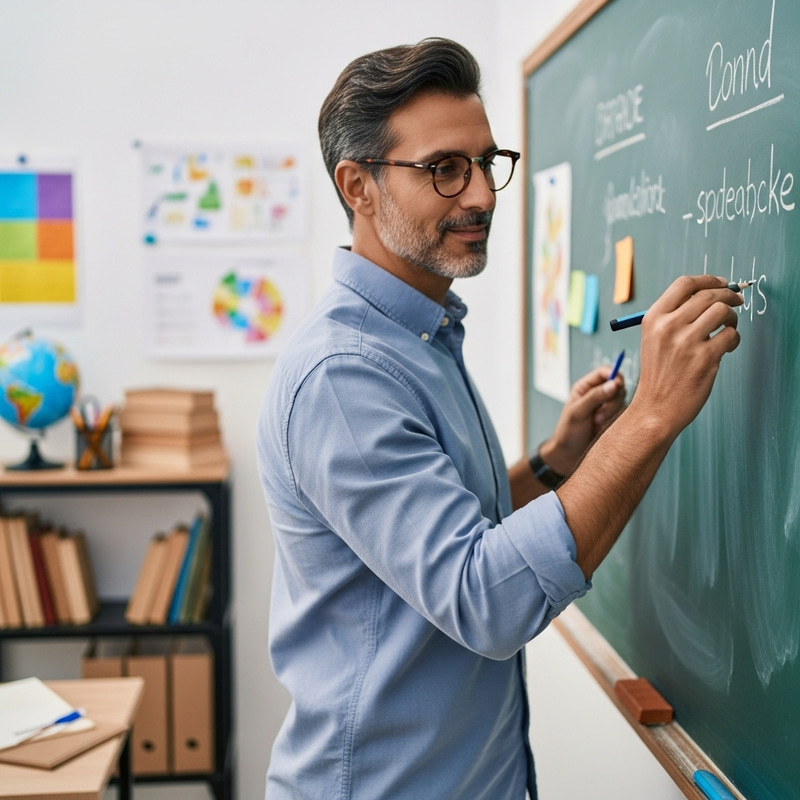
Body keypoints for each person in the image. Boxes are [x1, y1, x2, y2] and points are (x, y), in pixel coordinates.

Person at [256, 37, 742, 800]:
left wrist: (553, 462)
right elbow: (485, 599)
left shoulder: (420, 334)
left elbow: (452, 539)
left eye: (488, 162)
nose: (481, 194)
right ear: (359, 186)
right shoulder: (345, 374)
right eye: (444, 168)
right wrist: (652, 415)